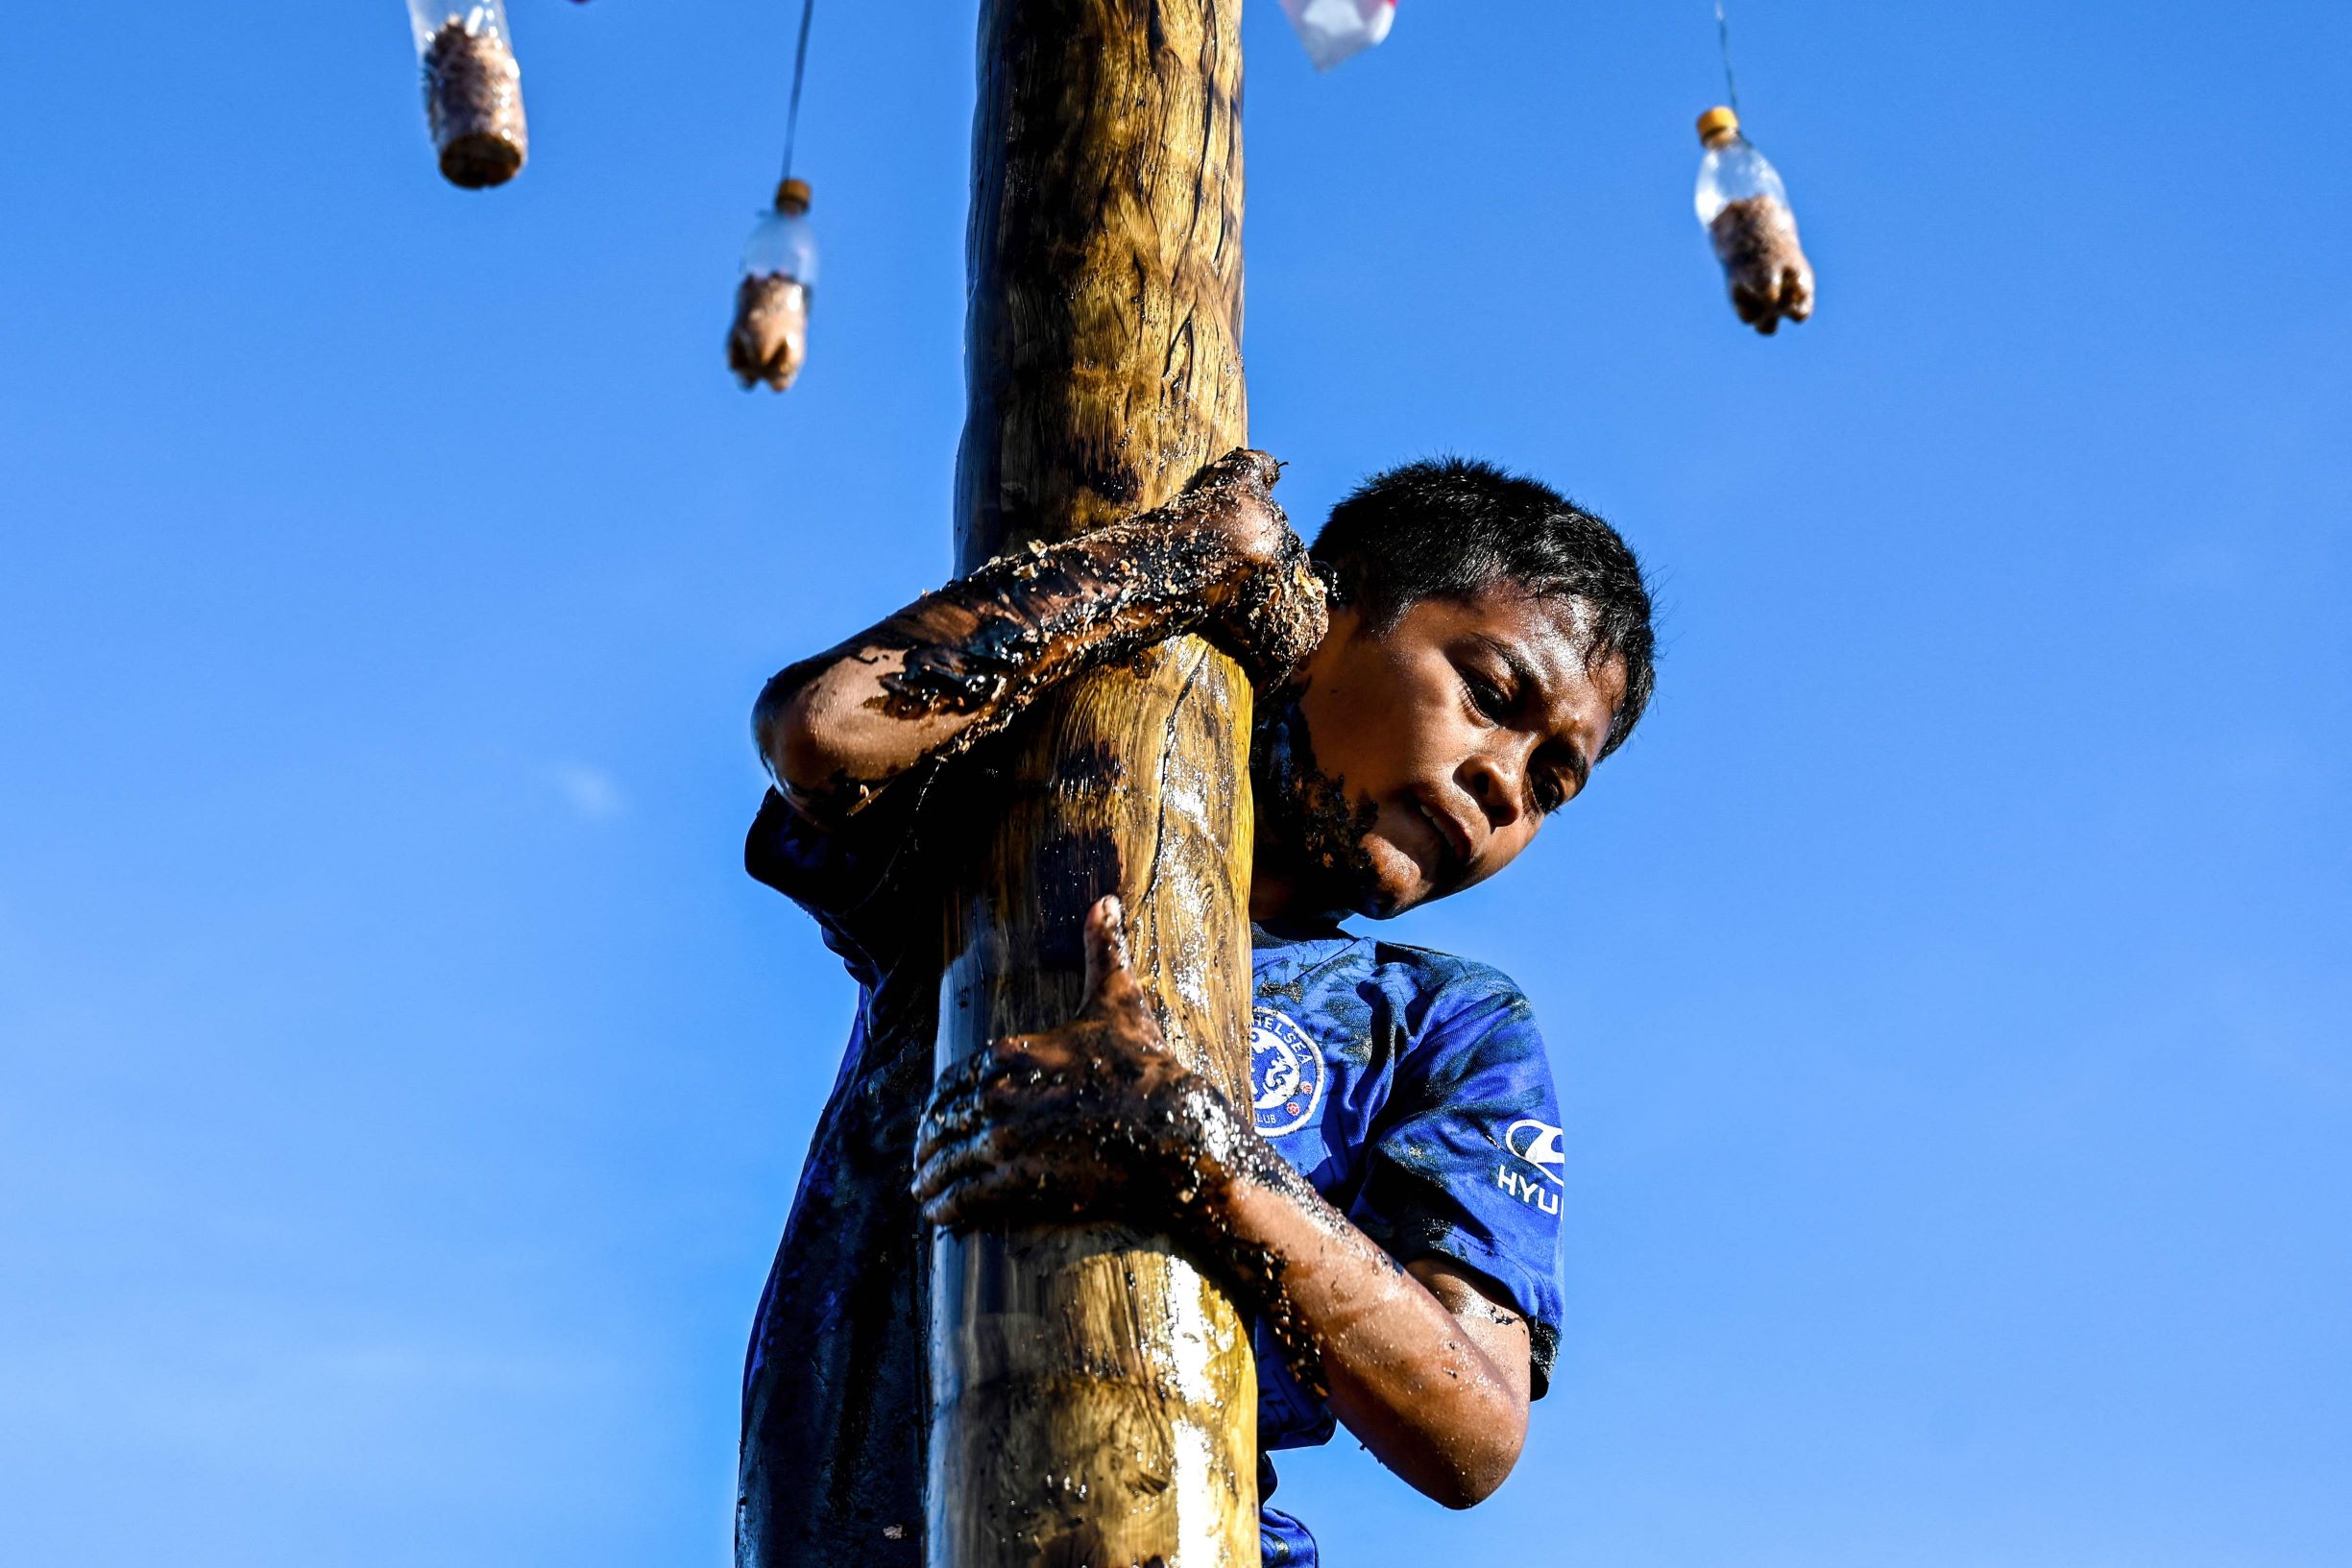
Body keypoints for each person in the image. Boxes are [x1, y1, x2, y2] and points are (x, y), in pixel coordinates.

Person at [738, 448, 1657, 1568]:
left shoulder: (1435, 1023)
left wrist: (1204, 1152)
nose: (1506, 782)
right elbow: (826, 730)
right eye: (1492, 696)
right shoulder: (1017, 829)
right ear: (1335, 601)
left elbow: (1474, 1427)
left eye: (1553, 782)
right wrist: (1174, 562)